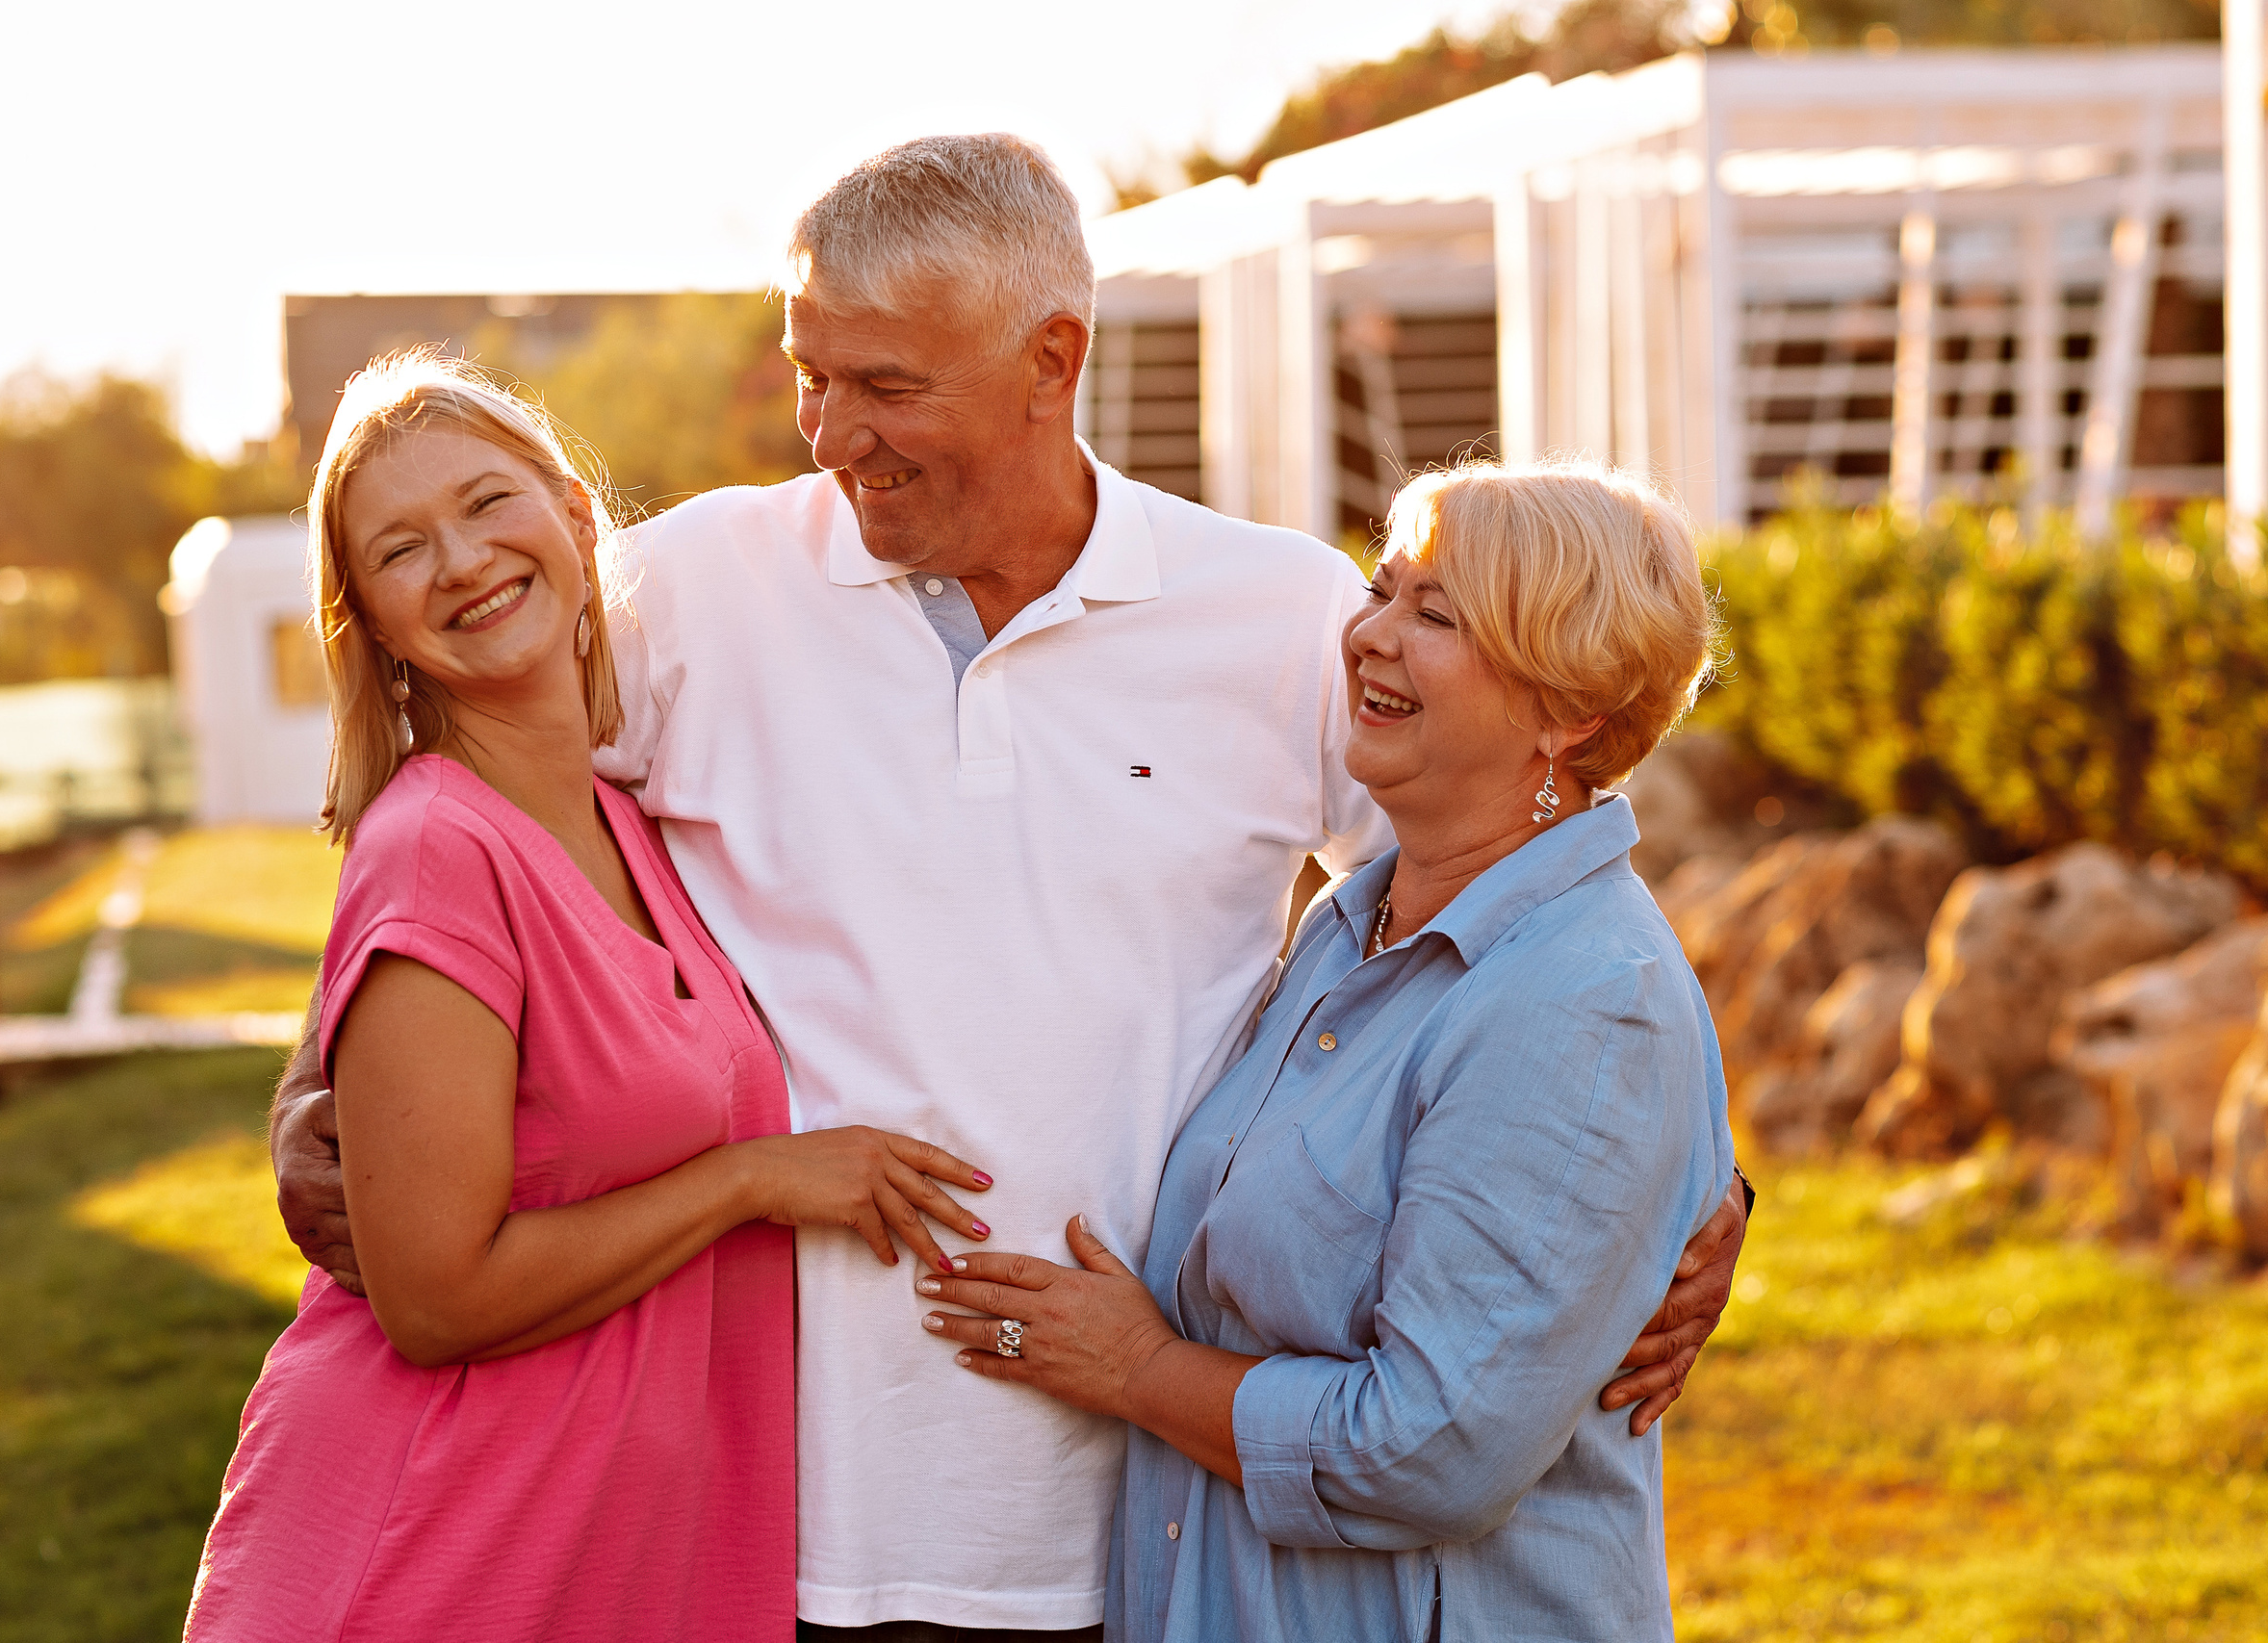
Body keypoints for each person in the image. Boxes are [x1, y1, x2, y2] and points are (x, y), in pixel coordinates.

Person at [269, 137, 1749, 1640]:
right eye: (811, 373)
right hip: (784, 1514)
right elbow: (465, 841)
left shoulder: (1281, 612)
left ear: (1053, 360)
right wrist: (311, 1089)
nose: (832, 432)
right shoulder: (690, 590)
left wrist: (1695, 1183)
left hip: (1159, 1513)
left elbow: (1511, 901)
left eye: (887, 386)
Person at [188, 354, 993, 1643]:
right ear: (376, 625)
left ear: (572, 516)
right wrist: (756, 1178)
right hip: (439, 1549)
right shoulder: (436, 846)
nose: (458, 561)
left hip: (606, 1549)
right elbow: (437, 1296)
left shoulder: (629, 809)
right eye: (402, 548)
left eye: (485, 502)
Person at [914, 459, 1735, 1642]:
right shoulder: (1351, 928)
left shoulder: (1584, 1001)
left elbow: (1433, 1451)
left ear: (1570, 713)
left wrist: (1136, 1371)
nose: (1368, 638)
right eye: (1383, 589)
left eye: (1436, 616)